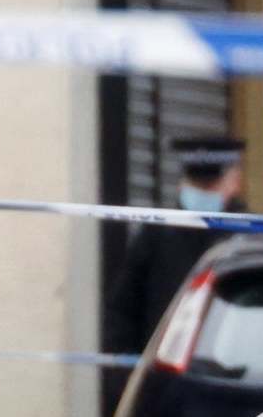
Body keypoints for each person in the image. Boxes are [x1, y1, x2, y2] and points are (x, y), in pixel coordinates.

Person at [105, 136, 249, 368]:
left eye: (210, 185)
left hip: (233, 375)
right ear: (182, 183)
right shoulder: (156, 235)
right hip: (164, 377)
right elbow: (122, 310)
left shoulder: (250, 236)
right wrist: (124, 376)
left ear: (234, 182)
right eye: (197, 184)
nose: (203, 193)